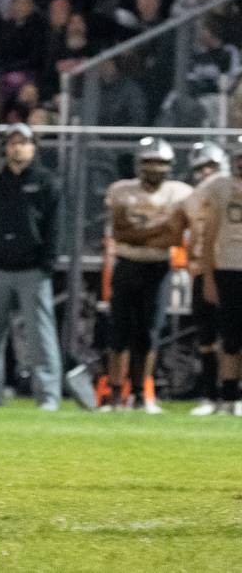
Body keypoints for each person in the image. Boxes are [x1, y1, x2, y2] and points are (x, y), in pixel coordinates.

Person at [0, 123, 63, 410]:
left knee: (41, 336)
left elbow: (55, 227)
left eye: (23, 142)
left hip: (32, 271)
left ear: (33, 147)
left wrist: (47, 263)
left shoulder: (47, 182)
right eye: (12, 142)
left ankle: (48, 396)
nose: (17, 147)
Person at [102, 137, 193, 412]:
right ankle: (116, 394)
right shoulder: (122, 191)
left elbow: (175, 237)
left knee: (149, 332)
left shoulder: (179, 192)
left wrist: (143, 235)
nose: (154, 168)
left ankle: (142, 394)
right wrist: (159, 230)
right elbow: (121, 232)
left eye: (160, 163)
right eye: (149, 162)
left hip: (157, 268)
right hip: (127, 264)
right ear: (139, 164)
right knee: (119, 331)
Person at [174, 142, 228, 414]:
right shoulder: (190, 198)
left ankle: (233, 395)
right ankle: (210, 395)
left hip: (233, 270)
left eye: (212, 167)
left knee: (234, 337)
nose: (207, 172)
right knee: (205, 336)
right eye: (201, 168)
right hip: (201, 271)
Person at [200, 143, 242, 416]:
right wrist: (208, 277)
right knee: (230, 337)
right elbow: (209, 234)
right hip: (228, 266)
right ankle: (229, 396)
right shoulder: (220, 187)